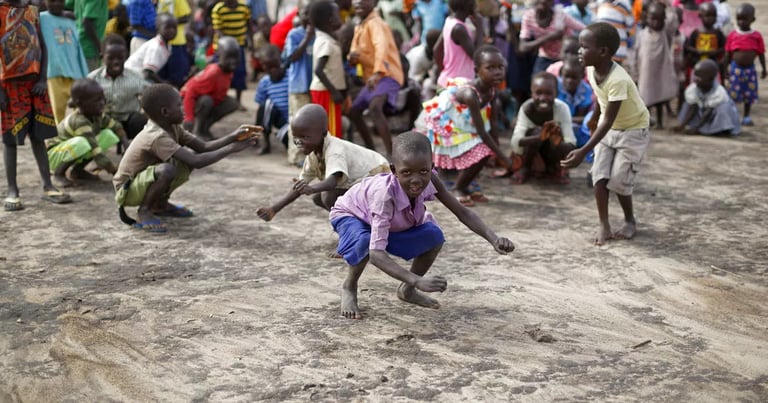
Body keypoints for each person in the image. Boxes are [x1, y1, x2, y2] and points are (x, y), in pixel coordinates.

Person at [330, 131, 515, 319]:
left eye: (423, 171)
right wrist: (417, 280)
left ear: (432, 167)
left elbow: (462, 211)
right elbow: (376, 255)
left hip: (387, 221)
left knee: (433, 236)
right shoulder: (384, 196)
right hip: (352, 216)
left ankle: (407, 291)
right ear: (393, 170)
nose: (416, 180)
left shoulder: (431, 180)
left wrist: (494, 238)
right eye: (407, 172)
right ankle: (349, 286)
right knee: (365, 240)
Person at [114, 83, 261, 233]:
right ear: (165, 112)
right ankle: (144, 211)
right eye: (179, 105)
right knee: (169, 169)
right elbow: (197, 161)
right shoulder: (157, 136)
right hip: (127, 190)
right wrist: (231, 148)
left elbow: (203, 147)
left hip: (140, 182)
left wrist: (233, 136)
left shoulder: (173, 127)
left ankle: (160, 204)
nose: (184, 108)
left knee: (180, 163)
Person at [561, 23, 650, 246]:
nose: (579, 51)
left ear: (603, 52)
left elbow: (610, 119)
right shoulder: (591, 69)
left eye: (584, 47)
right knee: (599, 176)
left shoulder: (618, 79)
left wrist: (583, 150)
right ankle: (604, 224)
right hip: (607, 127)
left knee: (619, 180)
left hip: (632, 130)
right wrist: (594, 116)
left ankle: (630, 220)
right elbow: (603, 101)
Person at [257, 104, 389, 221]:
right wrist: (274, 209)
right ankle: (354, 225)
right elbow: (299, 187)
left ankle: (360, 227)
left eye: (305, 137)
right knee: (318, 198)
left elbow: (331, 182)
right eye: (296, 138)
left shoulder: (334, 150)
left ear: (323, 133)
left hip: (379, 179)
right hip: (362, 183)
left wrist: (311, 188)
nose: (299, 143)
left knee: (328, 197)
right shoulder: (314, 153)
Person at [419, 45, 513, 206]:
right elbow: (481, 132)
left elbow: (491, 121)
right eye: (490, 68)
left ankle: (465, 184)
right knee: (483, 150)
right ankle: (458, 188)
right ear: (477, 70)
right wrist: (502, 156)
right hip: (448, 123)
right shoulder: (470, 94)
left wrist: (497, 149)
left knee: (486, 151)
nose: (497, 72)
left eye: (500, 67)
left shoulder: (491, 90)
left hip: (464, 122)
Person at [1, 0, 71, 211]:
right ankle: (13, 189)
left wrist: (42, 79)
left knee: (39, 136)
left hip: (35, 85)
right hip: (9, 85)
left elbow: (42, 47)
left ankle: (48, 184)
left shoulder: (32, 11)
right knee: (10, 139)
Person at [47, 79, 129, 187]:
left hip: (70, 150)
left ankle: (78, 171)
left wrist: (127, 147)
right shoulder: (79, 122)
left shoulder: (96, 114)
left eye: (102, 98)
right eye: (97, 100)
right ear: (80, 104)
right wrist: (115, 171)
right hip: (53, 155)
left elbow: (116, 126)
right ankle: (58, 174)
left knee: (109, 135)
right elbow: (96, 151)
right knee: (82, 142)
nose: (102, 103)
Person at [348, 0, 404, 157]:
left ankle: (391, 154)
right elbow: (355, 51)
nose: (358, 4)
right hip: (374, 77)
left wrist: (378, 73)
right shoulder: (359, 25)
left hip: (387, 74)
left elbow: (382, 48)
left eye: (362, 2)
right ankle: (371, 151)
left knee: (375, 107)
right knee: (354, 111)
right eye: (355, 2)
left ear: (373, 2)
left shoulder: (376, 23)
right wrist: (352, 58)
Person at [510, 72, 577, 185]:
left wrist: (556, 139)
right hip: (530, 151)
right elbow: (516, 141)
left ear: (556, 93)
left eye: (548, 93)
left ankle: (553, 168)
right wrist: (539, 137)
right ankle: (525, 167)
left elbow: (572, 143)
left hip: (551, 150)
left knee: (556, 133)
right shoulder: (527, 108)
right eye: (538, 93)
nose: (543, 98)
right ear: (531, 93)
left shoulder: (562, 109)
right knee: (536, 130)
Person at [89, 34, 148, 143]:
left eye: (120, 58)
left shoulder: (136, 77)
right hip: (103, 121)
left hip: (128, 120)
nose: (116, 62)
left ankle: (135, 151)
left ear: (125, 56)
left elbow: (148, 94)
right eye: (111, 58)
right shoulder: (93, 79)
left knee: (140, 121)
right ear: (102, 57)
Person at [180, 36, 240, 139]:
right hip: (187, 103)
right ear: (219, 55)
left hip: (207, 100)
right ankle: (197, 131)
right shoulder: (213, 73)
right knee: (206, 101)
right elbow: (190, 92)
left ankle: (204, 129)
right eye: (228, 57)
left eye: (236, 57)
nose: (233, 61)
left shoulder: (228, 71)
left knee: (232, 103)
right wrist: (188, 118)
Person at [40, 0, 90, 124]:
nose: (56, 4)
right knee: (57, 111)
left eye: (60, 1)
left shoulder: (70, 20)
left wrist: (83, 72)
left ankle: (77, 135)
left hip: (74, 72)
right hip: (54, 72)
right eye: (52, 1)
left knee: (79, 110)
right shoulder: (41, 18)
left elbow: (77, 47)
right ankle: (58, 140)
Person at [633, 2, 678, 129]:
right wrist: (635, 71)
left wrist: (668, 6)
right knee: (645, 99)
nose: (656, 23)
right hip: (645, 73)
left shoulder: (665, 33)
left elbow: (673, 22)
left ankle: (659, 123)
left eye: (660, 19)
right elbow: (636, 53)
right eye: (653, 19)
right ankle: (645, 122)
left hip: (661, 72)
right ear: (646, 18)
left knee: (659, 99)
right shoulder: (642, 34)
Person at [723, 3, 766, 126]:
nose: (741, 22)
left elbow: (761, 53)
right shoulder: (733, 35)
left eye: (744, 19)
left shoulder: (756, 36)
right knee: (734, 93)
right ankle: (733, 114)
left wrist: (764, 69)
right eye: (739, 19)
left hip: (750, 70)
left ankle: (746, 116)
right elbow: (727, 54)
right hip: (736, 69)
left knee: (749, 94)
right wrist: (725, 68)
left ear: (752, 20)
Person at [284, 0, 315, 165]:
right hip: (299, 86)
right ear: (298, 15)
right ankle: (295, 155)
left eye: (312, 14)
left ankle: (311, 158)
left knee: (312, 124)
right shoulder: (294, 34)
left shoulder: (320, 35)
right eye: (305, 14)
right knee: (297, 123)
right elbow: (291, 57)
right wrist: (307, 38)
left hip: (314, 86)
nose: (309, 18)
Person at [309, 0, 346, 139]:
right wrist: (334, 91)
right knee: (331, 131)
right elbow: (318, 70)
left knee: (330, 128)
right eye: (338, 14)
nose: (340, 17)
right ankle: (330, 159)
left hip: (326, 90)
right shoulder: (325, 43)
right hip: (326, 92)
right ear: (331, 20)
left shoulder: (328, 39)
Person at [675, 59, 741, 135]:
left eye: (699, 77)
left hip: (713, 115)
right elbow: (692, 108)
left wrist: (697, 128)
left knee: (723, 108)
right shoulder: (693, 88)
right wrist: (682, 126)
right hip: (703, 113)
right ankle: (698, 127)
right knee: (688, 104)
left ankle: (720, 129)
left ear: (710, 79)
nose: (696, 79)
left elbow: (708, 112)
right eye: (695, 76)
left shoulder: (719, 92)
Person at [519, 0, 585, 74]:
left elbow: (584, 29)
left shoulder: (560, 16)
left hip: (564, 58)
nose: (543, 1)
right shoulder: (528, 16)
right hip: (545, 57)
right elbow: (522, 47)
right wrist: (549, 37)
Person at [211, 0, 253, 106]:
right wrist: (226, 46)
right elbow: (218, 31)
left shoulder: (244, 8)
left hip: (239, 47)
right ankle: (219, 99)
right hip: (223, 48)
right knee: (220, 74)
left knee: (239, 73)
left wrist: (251, 41)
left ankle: (238, 101)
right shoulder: (218, 9)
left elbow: (249, 25)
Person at [435, 0, 483, 88]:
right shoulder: (459, 29)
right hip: (458, 84)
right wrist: (480, 28)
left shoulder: (450, 21)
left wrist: (445, 71)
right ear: (468, 5)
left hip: (448, 79)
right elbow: (477, 57)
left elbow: (437, 50)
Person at [253, 45, 290, 155]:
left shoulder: (291, 77)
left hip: (291, 122)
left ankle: (286, 140)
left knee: (292, 142)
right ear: (263, 67)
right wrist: (255, 132)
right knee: (267, 105)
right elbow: (261, 109)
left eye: (275, 66)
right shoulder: (265, 82)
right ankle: (266, 142)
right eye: (269, 67)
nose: (273, 70)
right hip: (277, 119)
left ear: (281, 61)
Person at [124, 13, 178, 83]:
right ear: (158, 27)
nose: (172, 31)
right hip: (130, 78)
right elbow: (148, 72)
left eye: (174, 28)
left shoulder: (167, 46)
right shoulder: (155, 47)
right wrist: (163, 83)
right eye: (167, 27)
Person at [157, 0, 193, 88]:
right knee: (161, 76)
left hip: (177, 43)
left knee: (176, 78)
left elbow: (187, 16)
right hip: (161, 43)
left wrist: (170, 22)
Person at [685, 2, 726, 79]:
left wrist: (716, 51)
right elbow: (688, 47)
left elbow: (724, 48)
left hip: (713, 65)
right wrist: (697, 51)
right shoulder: (696, 32)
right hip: (698, 64)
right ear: (700, 16)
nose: (711, 19)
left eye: (714, 16)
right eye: (708, 16)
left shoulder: (718, 33)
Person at [65, 0, 108, 71]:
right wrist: (100, 47)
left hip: (78, 42)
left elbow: (67, 4)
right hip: (90, 47)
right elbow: (87, 22)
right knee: (89, 79)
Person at [558, 58, 593, 135]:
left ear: (582, 76)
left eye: (574, 77)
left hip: (575, 124)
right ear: (561, 74)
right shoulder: (554, 87)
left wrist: (564, 120)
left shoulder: (586, 90)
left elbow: (582, 116)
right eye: (566, 76)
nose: (569, 81)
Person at [594, 0, 634, 65]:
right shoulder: (600, 2)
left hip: (618, 50)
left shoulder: (624, 4)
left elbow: (630, 26)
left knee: (615, 72)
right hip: (601, 49)